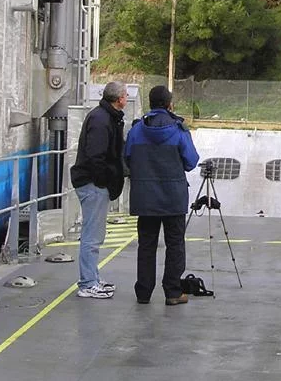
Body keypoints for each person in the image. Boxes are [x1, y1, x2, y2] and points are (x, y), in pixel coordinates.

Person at [124, 85, 199, 306]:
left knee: (146, 245)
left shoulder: (137, 130)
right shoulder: (178, 130)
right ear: (169, 104)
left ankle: (144, 293)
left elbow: (128, 158)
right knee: (175, 244)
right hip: (173, 198)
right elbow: (191, 161)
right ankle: (173, 292)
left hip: (145, 198)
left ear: (150, 103)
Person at [70, 81, 128, 299]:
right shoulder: (102, 120)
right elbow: (96, 156)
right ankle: (87, 283)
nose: (126, 98)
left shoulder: (105, 117)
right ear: (119, 98)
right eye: (124, 95)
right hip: (93, 184)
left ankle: (92, 276)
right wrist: (104, 180)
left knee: (96, 234)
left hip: (94, 183)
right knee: (92, 235)